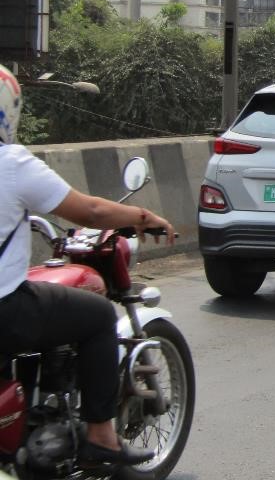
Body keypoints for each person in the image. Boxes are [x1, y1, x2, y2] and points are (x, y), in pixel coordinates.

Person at [0, 64, 176, 469]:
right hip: (6, 309)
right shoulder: (12, 163)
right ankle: (101, 436)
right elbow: (92, 212)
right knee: (97, 315)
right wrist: (143, 217)